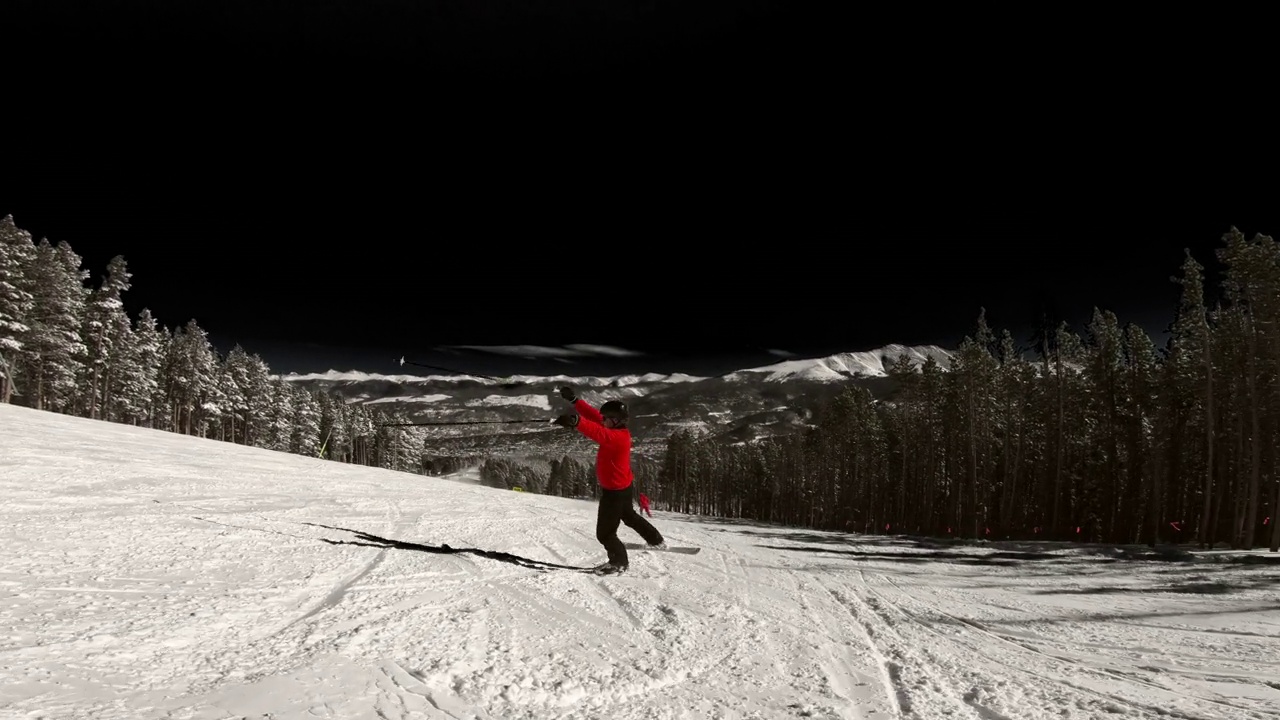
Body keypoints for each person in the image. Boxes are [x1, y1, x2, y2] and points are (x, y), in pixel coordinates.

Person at [552, 386, 665, 574]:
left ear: (614, 420)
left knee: (605, 533)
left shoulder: (617, 437)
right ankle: (656, 540)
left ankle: (618, 562)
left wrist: (576, 422)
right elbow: (595, 416)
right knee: (629, 516)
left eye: (606, 418)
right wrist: (574, 401)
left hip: (614, 492)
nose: (602, 420)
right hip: (623, 487)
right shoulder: (614, 427)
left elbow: (597, 431)